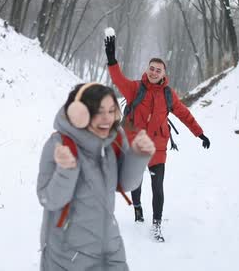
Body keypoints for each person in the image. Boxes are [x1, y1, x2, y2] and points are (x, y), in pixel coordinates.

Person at [37, 83, 156, 270]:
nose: (107, 119)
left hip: (110, 248)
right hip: (67, 256)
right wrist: (66, 171)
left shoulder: (113, 140)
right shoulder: (58, 144)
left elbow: (126, 184)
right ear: (79, 113)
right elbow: (49, 200)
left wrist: (138, 156)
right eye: (99, 111)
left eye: (111, 111)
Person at [104, 35, 211, 242]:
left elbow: (184, 114)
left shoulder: (169, 94)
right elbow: (118, 79)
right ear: (147, 70)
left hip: (158, 147)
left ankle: (157, 225)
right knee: (135, 181)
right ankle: (138, 210)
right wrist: (111, 60)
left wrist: (199, 133)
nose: (154, 72)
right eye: (151, 68)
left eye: (158, 70)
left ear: (164, 74)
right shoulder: (135, 89)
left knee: (157, 187)